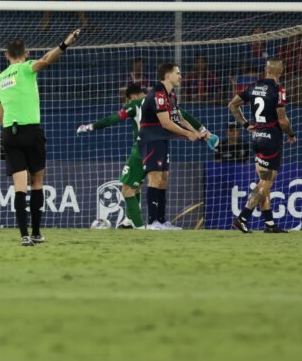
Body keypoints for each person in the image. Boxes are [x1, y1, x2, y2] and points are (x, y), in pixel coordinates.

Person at [79, 83, 216, 228]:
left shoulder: (134, 105)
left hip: (141, 149)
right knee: (144, 185)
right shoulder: (160, 102)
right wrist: (202, 130)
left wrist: (90, 127)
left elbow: (112, 119)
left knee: (127, 189)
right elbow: (184, 116)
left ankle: (140, 228)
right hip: (160, 147)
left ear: (132, 97)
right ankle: (131, 221)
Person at [0, 29, 81, 246]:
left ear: (6, 55)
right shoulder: (25, 68)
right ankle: (36, 233)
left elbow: (0, 114)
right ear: (26, 52)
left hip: (10, 134)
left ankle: (23, 236)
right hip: (31, 132)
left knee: (19, 187)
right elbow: (45, 61)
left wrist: (7, 133)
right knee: (38, 182)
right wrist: (65, 43)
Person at [228, 57, 295, 233]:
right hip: (271, 139)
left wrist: (244, 125)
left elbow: (232, 105)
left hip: (257, 138)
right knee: (266, 182)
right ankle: (242, 218)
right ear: (280, 71)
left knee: (264, 182)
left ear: (266, 70)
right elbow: (282, 120)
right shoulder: (278, 89)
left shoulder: (253, 86)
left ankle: (269, 224)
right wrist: (291, 134)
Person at [138, 62, 205, 230]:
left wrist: (196, 131)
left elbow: (179, 118)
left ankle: (161, 221)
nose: (180, 76)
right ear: (167, 76)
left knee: (164, 179)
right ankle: (152, 222)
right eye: (177, 73)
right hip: (151, 139)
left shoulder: (171, 96)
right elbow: (167, 123)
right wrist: (187, 134)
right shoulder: (158, 94)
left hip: (162, 140)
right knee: (155, 178)